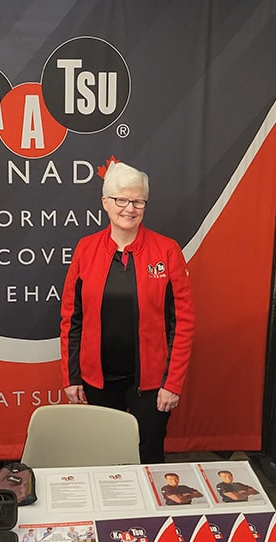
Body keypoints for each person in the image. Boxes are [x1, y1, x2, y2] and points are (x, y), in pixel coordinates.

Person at [60, 161, 194, 464]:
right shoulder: (85, 249)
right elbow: (72, 318)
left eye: (138, 201)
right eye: (121, 200)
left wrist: (172, 383)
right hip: (98, 381)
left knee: (148, 454)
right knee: (104, 456)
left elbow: (183, 322)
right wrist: (71, 377)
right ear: (105, 202)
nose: (129, 208)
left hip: (152, 383)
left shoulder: (167, 251)